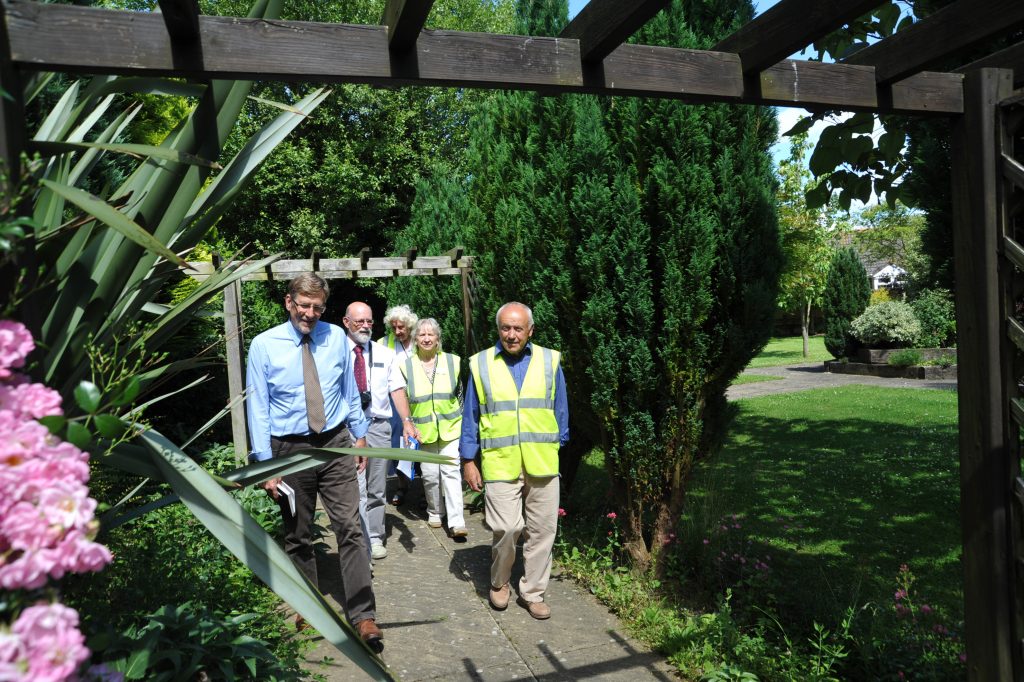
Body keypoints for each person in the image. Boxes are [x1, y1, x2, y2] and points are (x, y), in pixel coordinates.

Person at [245, 273, 383, 652]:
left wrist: (359, 435)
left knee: (350, 528)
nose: (309, 313)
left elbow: (348, 390)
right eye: (303, 305)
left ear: (324, 308)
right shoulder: (263, 346)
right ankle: (309, 606)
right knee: (298, 534)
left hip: (335, 443)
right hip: (288, 450)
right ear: (289, 302)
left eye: (317, 307)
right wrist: (265, 465)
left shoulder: (336, 337)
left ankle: (363, 615)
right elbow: (256, 407)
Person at [461, 302, 569, 620]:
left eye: (518, 328)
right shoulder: (481, 365)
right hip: (500, 460)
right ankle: (499, 581)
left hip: (542, 459)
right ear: (498, 330)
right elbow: (471, 415)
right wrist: (469, 459)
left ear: (530, 331)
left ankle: (532, 592)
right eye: (506, 328)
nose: (511, 334)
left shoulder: (550, 361)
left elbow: (560, 407)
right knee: (507, 528)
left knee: (543, 530)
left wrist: (558, 442)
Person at [343, 301, 419, 562]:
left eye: (369, 321)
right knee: (354, 488)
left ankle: (375, 536)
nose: (365, 326)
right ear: (346, 322)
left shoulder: (384, 354)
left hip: (377, 426)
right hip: (347, 429)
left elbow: (397, 389)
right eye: (359, 321)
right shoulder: (336, 352)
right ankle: (357, 538)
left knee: (376, 487)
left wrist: (407, 421)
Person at [400, 318, 466, 538]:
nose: (427, 339)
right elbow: (404, 399)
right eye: (422, 335)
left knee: (451, 472)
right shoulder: (405, 366)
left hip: (451, 428)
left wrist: (465, 425)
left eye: (431, 335)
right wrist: (407, 423)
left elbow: (460, 395)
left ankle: (457, 522)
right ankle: (435, 511)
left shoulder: (453, 361)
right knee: (429, 475)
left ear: (438, 338)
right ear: (415, 339)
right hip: (423, 431)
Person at [378, 304, 419, 504]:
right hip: (395, 403)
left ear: (410, 325)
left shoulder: (421, 341)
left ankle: (424, 490)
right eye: (393, 327)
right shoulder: (383, 343)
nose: (397, 331)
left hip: (421, 401)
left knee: (423, 444)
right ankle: (402, 486)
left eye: (401, 327)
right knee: (399, 445)